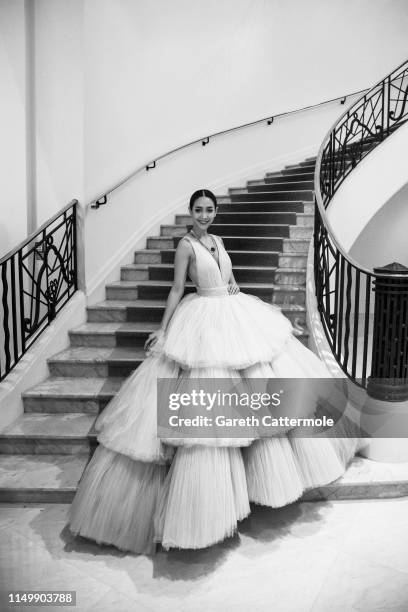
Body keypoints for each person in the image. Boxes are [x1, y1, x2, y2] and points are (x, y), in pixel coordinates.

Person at [68, 189, 359, 554]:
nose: (204, 215)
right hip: (202, 319)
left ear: (215, 211)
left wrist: (240, 294)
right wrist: (163, 328)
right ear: (189, 211)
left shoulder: (218, 240)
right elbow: (177, 289)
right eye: (198, 210)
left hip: (232, 312)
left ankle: (254, 487)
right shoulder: (185, 247)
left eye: (209, 209)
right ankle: (208, 507)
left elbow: (225, 278)